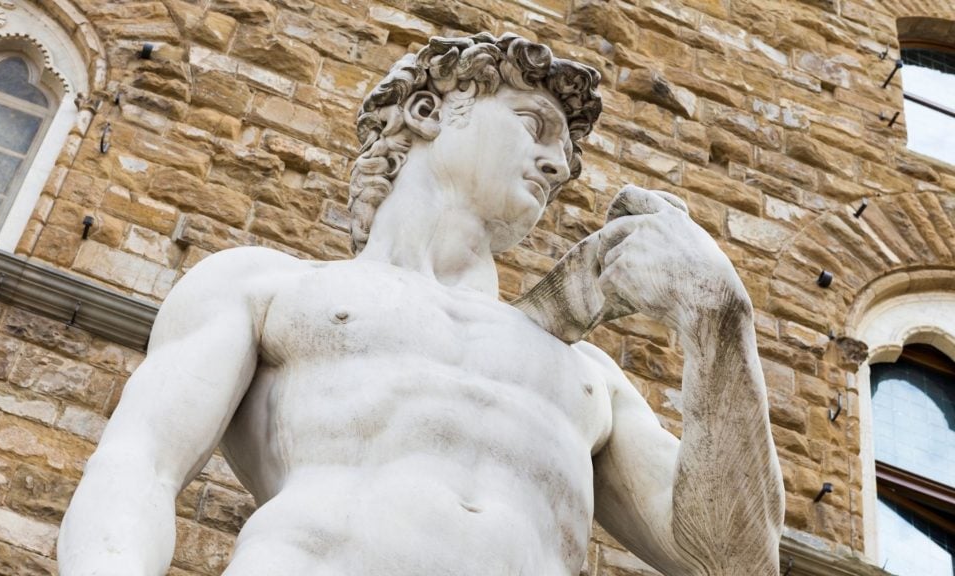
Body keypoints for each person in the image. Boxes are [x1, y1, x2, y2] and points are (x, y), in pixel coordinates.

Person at [58, 33, 784, 575]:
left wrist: (719, 319)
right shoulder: (268, 288)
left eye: (565, 152)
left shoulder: (587, 375)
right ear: (430, 110)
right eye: (534, 124)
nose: (557, 162)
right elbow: (139, 465)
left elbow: (737, 563)